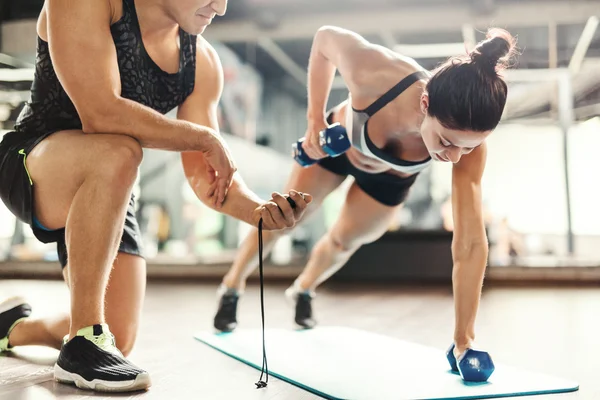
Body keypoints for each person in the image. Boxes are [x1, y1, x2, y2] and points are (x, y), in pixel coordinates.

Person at [0, 0, 313, 393]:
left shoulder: (201, 62)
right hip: (33, 161)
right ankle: (82, 343)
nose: (220, 6)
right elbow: (101, 113)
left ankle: (13, 328)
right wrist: (204, 137)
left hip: (111, 185)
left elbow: (204, 175)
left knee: (119, 334)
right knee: (118, 151)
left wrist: (260, 213)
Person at [214, 25, 517, 361]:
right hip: (335, 150)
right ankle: (231, 286)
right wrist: (315, 119)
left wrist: (464, 340)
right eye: (446, 141)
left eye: (468, 146)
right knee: (281, 221)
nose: (455, 157)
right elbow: (325, 38)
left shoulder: (467, 148)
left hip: (389, 180)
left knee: (344, 241)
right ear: (426, 102)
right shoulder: (376, 72)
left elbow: (470, 244)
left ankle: (302, 289)